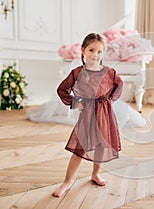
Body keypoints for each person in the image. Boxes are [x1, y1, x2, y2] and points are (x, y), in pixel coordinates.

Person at [52, 33, 123, 197]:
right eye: (91, 50)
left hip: (105, 115)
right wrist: (75, 102)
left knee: (100, 144)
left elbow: (119, 84)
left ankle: (95, 174)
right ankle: (67, 181)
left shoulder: (109, 72)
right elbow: (62, 89)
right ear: (83, 50)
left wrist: (109, 100)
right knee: (80, 148)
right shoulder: (77, 73)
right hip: (88, 115)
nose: (95, 55)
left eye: (99, 51)